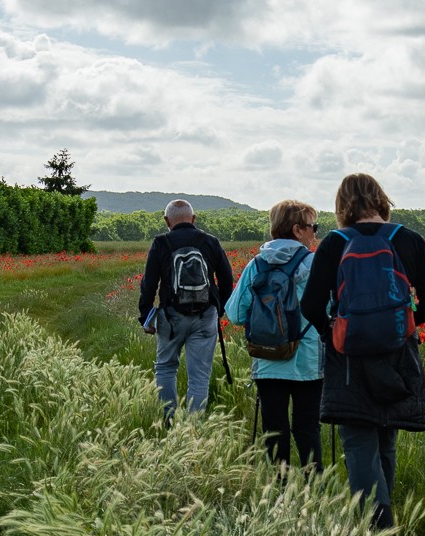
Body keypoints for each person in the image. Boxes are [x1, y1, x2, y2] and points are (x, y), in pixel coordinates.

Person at [301, 173, 425, 531]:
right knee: (385, 435)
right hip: (399, 354)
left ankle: (378, 530)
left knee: (358, 439)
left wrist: (333, 332)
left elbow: (310, 305)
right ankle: (383, 522)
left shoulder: (334, 244)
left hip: (349, 357)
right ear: (381, 199)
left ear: (342, 206)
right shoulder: (409, 240)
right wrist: (402, 326)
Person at [226, 199, 325, 474]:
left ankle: (280, 491)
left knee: (274, 429)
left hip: (267, 358)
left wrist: (267, 325)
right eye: (312, 226)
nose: (315, 233)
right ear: (297, 230)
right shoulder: (316, 264)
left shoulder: (257, 265)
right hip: (307, 360)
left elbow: (234, 313)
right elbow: (332, 310)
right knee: (307, 428)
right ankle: (314, 489)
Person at [137, 199, 235, 422]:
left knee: (165, 368)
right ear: (193, 218)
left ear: (166, 221)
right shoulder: (210, 242)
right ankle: (193, 430)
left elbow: (148, 283)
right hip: (205, 316)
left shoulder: (161, 243)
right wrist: (219, 310)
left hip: (170, 318)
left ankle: (168, 421)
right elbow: (227, 279)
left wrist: (146, 316)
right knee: (199, 377)